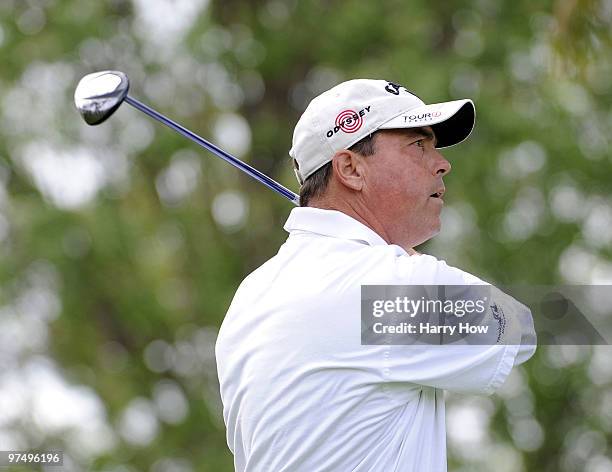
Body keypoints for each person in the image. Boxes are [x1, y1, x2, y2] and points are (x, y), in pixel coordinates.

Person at [215, 79, 536, 472]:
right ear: (350, 168)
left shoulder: (253, 293)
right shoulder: (381, 286)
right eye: (417, 145)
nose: (442, 163)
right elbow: (519, 328)